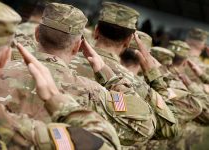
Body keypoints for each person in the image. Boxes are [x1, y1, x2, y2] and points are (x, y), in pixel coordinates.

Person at [0, 2, 156, 148]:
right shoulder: (92, 91)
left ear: (36, 34)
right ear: (78, 45)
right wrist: (111, 78)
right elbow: (143, 127)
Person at [70, 1, 178, 141]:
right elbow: (170, 130)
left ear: (96, 31)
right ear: (128, 42)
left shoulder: (62, 60)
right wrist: (156, 78)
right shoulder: (138, 85)